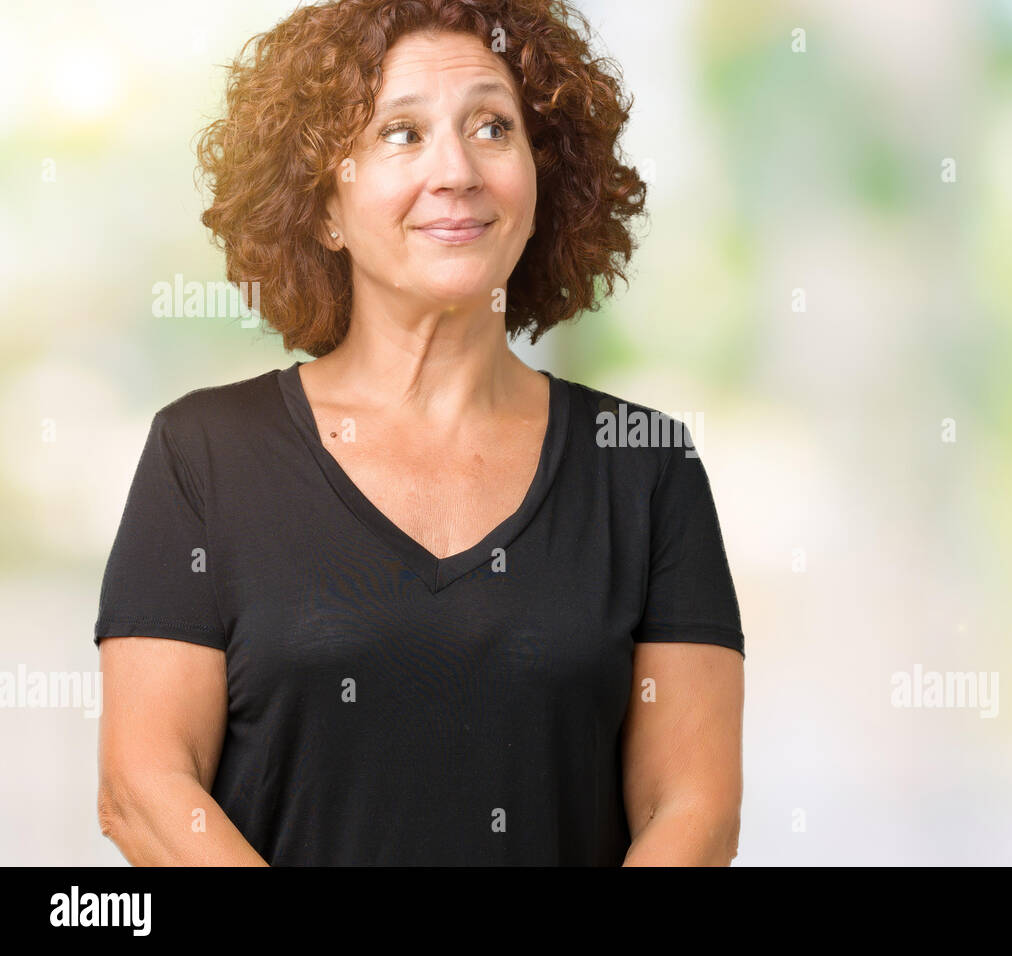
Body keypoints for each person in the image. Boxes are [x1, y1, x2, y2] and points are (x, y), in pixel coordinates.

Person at [93, 0, 745, 866]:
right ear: (324, 206)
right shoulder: (203, 455)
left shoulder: (646, 467)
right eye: (402, 133)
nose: (457, 171)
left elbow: (692, 809)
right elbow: (142, 787)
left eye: (491, 127)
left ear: (543, 179)